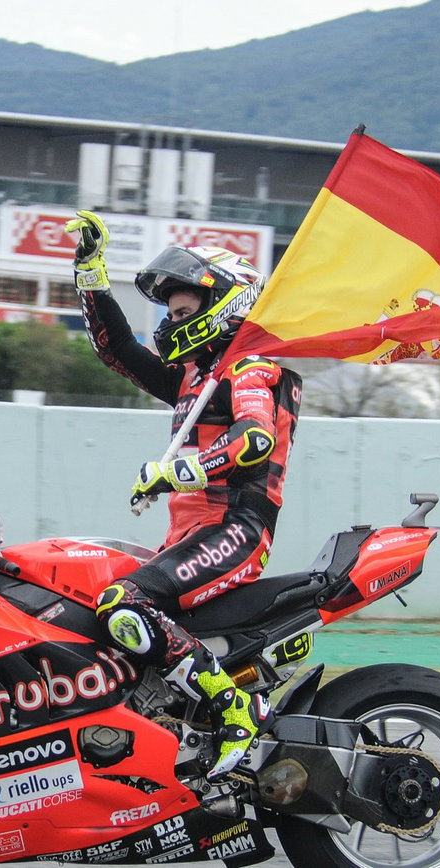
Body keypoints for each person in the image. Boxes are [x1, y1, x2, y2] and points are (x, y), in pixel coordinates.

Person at [65, 209, 302, 782]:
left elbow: (255, 438)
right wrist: (90, 271)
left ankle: (234, 710)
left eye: (183, 309)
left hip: (237, 530)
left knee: (123, 602)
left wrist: (179, 473)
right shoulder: (195, 377)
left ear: (226, 301)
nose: (171, 321)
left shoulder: (251, 367)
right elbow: (117, 348)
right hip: (190, 535)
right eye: (169, 311)